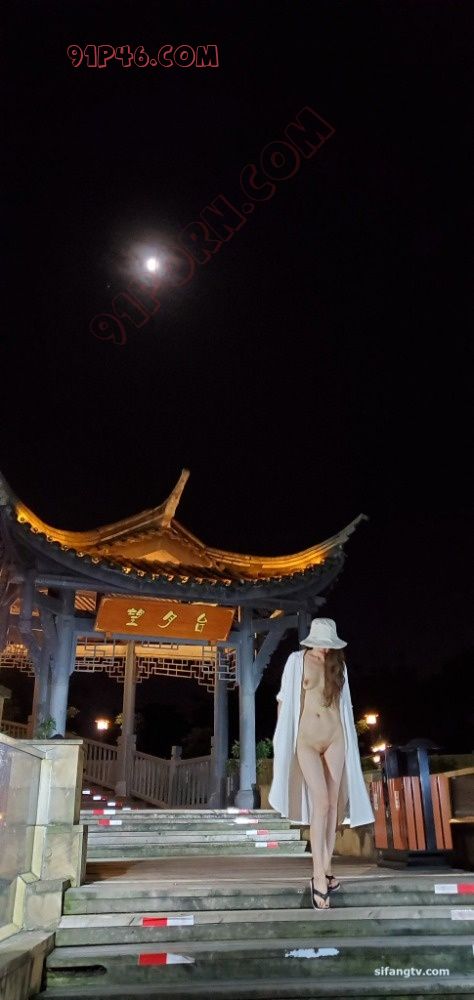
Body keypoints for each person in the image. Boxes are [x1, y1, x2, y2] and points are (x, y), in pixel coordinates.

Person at [268, 617, 375, 910]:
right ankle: (317, 876)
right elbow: (283, 700)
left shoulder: (338, 665)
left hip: (335, 738)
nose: (325, 650)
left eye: (329, 646)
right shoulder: (296, 662)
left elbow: (344, 705)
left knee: (333, 806)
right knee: (322, 802)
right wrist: (282, 739)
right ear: (312, 640)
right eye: (321, 645)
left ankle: (326, 868)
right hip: (306, 741)